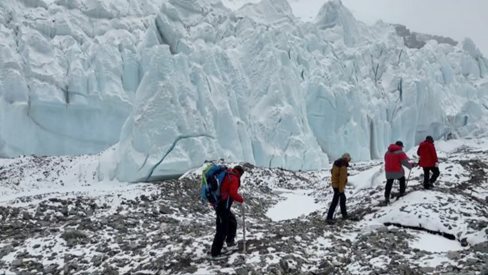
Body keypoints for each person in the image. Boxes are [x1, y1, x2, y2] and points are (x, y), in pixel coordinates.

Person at [210, 165, 245, 258]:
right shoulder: (234, 178)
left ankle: (230, 242)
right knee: (222, 229)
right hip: (222, 206)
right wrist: (241, 199)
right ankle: (215, 253)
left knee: (232, 221)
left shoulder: (228, 173)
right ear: (240, 173)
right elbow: (232, 193)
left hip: (221, 205)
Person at [326, 153, 351, 223]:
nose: (349, 161)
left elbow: (333, 171)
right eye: (349, 159)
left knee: (341, 199)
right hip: (338, 186)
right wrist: (340, 190)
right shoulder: (343, 166)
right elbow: (342, 179)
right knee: (337, 200)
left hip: (335, 184)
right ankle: (329, 217)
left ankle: (343, 214)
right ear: (346, 159)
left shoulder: (337, 162)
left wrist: (345, 174)